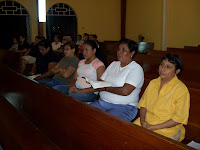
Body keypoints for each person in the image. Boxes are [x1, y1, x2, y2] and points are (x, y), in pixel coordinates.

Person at [134, 53, 190, 142]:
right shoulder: (153, 83)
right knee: (127, 137)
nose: (162, 69)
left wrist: (153, 127)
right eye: (161, 65)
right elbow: (143, 105)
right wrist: (143, 121)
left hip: (167, 129)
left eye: (168, 67)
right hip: (146, 123)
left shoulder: (181, 89)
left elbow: (178, 119)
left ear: (177, 71)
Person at [90, 39, 144, 121]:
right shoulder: (113, 64)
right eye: (118, 49)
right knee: (85, 113)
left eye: (123, 50)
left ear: (132, 53)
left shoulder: (136, 68)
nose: (119, 52)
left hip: (124, 107)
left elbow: (125, 91)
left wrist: (105, 88)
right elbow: (101, 82)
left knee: (103, 122)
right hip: (102, 102)